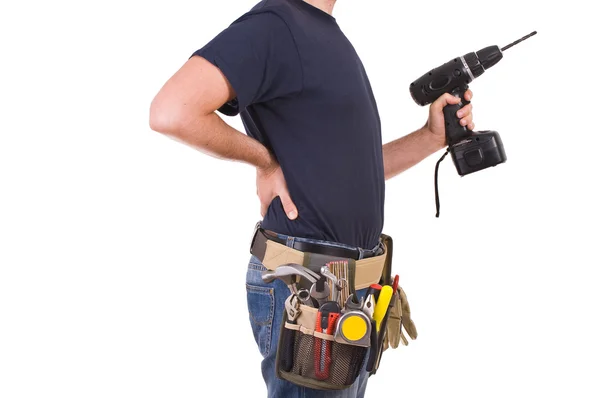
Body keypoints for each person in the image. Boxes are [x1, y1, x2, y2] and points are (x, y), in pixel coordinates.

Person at [149, 0, 474, 396]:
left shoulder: (326, 34)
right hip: (310, 290)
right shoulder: (274, 26)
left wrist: (429, 138)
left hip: (347, 296)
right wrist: (265, 163)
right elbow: (171, 111)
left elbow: (352, 171)